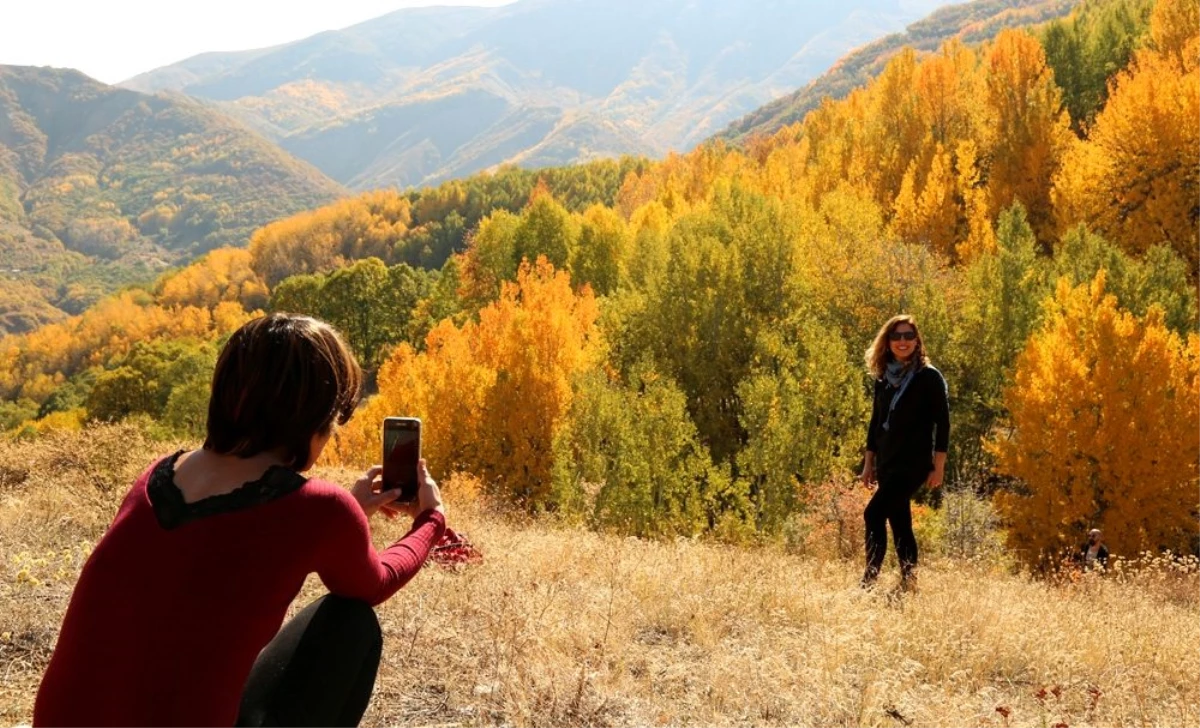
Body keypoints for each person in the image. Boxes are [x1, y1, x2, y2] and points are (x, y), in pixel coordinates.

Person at [34, 314, 446, 728]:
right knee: (350, 623)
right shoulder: (318, 509)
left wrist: (348, 513)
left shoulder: (156, 476)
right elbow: (373, 583)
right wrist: (431, 520)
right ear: (316, 418)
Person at [860, 314, 950, 591]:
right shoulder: (883, 377)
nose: (902, 342)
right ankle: (909, 581)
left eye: (908, 336)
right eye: (896, 336)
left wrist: (939, 466)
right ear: (887, 341)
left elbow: (943, 423)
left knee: (873, 514)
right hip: (888, 462)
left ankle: (870, 579)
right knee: (900, 522)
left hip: (912, 464)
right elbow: (876, 422)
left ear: (917, 341)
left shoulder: (928, 377)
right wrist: (868, 463)